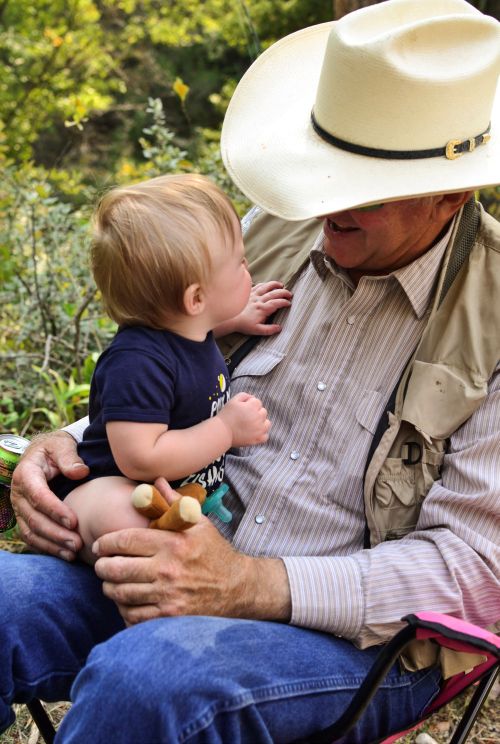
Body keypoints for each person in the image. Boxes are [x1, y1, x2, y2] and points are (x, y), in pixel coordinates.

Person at [1, 1, 499, 742]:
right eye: (326, 162)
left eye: (360, 181)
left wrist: (248, 585)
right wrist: (67, 443)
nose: (325, 196)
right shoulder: (275, 229)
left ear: (451, 192)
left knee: (150, 679)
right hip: (165, 543)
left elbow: (474, 571)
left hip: (341, 636)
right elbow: (172, 370)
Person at [50, 173, 291, 563]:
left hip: (169, 496)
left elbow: (197, 332)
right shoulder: (137, 364)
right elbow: (141, 459)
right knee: (121, 513)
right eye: (240, 263)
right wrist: (226, 429)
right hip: (107, 486)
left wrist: (233, 317)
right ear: (196, 298)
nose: (249, 269)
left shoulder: (186, 327)